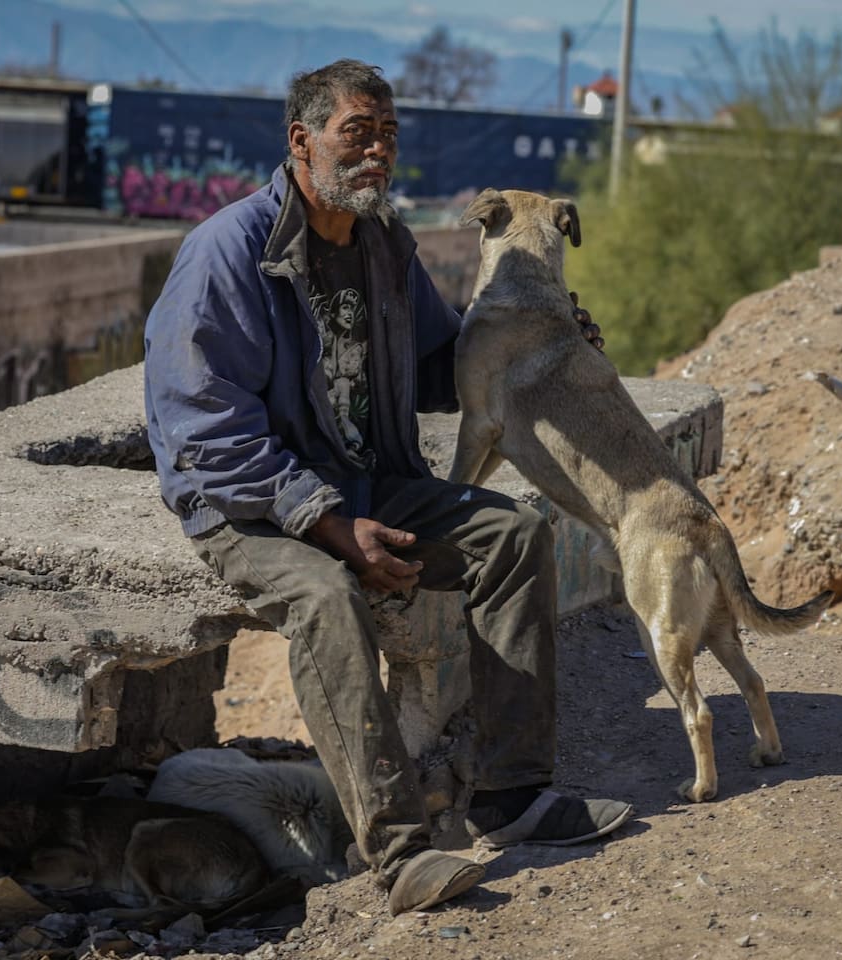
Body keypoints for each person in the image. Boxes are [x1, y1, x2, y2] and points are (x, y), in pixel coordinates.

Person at [143, 58, 632, 917]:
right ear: (302, 141)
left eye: (388, 136)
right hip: (248, 504)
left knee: (514, 536)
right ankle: (398, 854)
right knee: (328, 595)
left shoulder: (384, 244)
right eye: (356, 134)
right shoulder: (228, 253)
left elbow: (439, 368)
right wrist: (330, 526)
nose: (377, 154)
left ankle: (513, 797)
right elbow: (203, 431)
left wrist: (533, 339)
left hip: (368, 481)